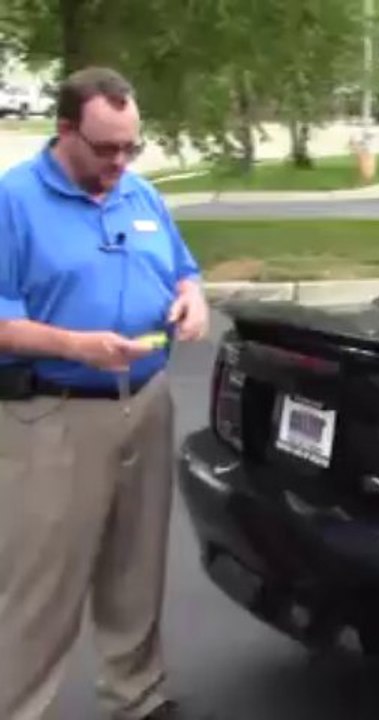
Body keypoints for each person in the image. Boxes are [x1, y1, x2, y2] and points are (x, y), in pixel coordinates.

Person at [0, 67, 209, 720]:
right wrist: (74, 345)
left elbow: (184, 270)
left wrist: (192, 299)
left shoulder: (139, 194)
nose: (119, 162)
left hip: (144, 404)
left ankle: (136, 698)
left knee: (135, 566)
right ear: (65, 131)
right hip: (54, 415)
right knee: (42, 586)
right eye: (105, 148)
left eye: (130, 147)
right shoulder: (13, 200)